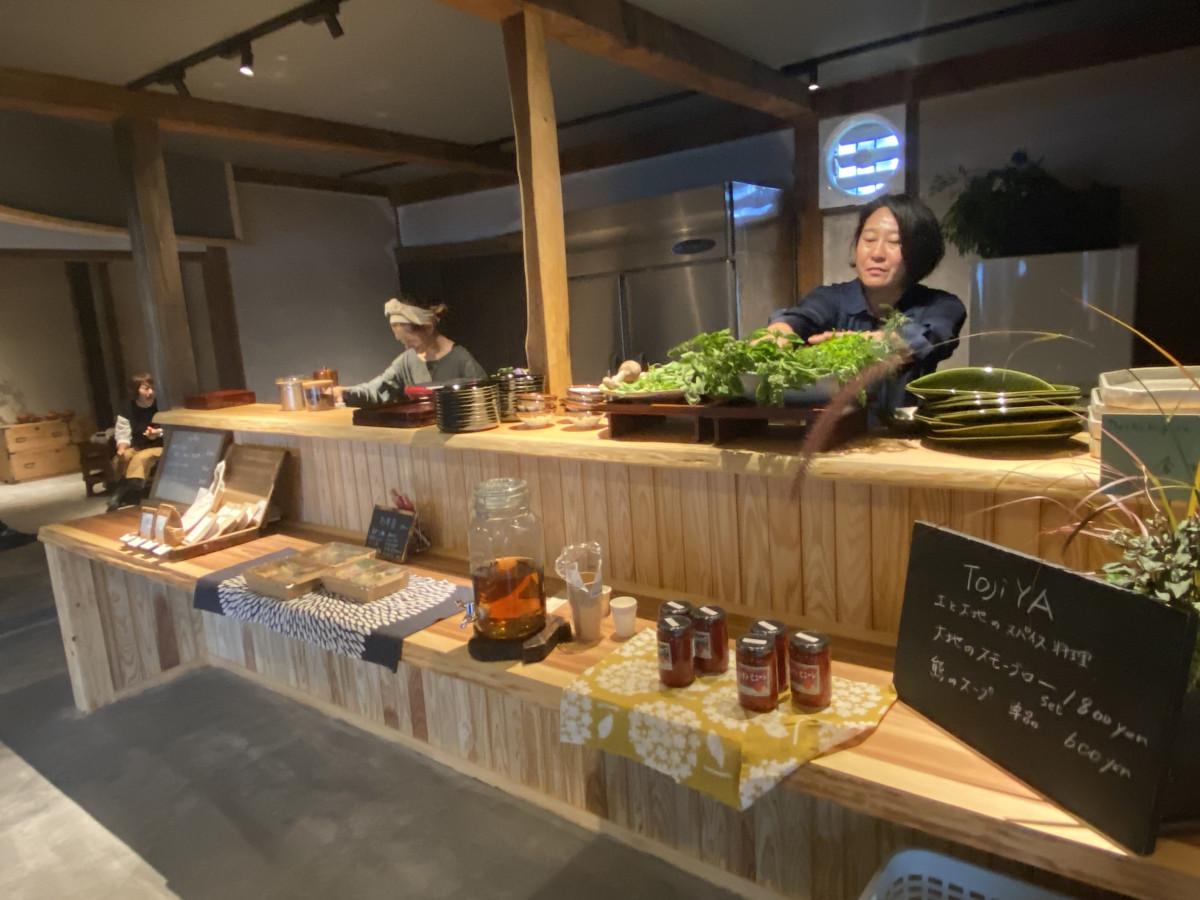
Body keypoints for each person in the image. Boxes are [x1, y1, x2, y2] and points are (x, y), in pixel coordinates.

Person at [766, 193, 966, 412]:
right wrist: (777, 335)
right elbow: (799, 318)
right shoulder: (831, 298)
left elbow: (924, 339)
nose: (877, 253)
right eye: (869, 240)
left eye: (895, 242)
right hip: (835, 439)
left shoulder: (941, 306)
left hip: (904, 439)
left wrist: (851, 343)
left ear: (919, 251)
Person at [333, 298, 487, 407]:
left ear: (428, 328)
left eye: (411, 341)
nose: (407, 348)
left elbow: (485, 399)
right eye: (403, 342)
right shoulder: (406, 361)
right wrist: (346, 392)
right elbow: (378, 389)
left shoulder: (460, 359)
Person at [107, 372, 164, 511]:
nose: (150, 392)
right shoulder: (128, 408)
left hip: (160, 445)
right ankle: (125, 492)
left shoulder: (162, 404)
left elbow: (172, 427)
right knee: (123, 457)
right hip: (139, 445)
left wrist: (158, 433)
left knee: (140, 458)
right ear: (136, 390)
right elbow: (123, 432)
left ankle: (124, 495)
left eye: (152, 388)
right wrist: (121, 448)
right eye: (145, 388)